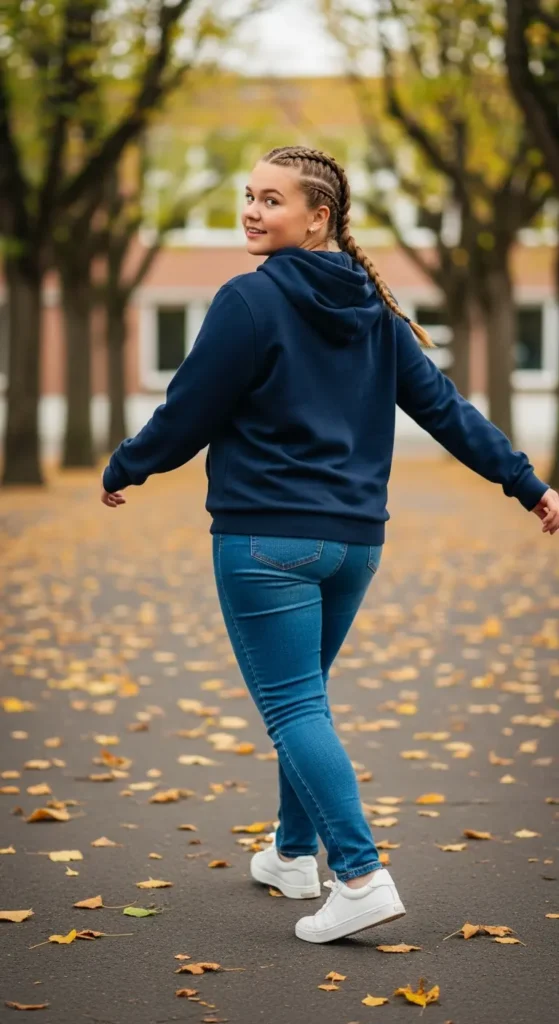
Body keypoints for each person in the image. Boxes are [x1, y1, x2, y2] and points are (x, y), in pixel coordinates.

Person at [101, 145, 559, 944]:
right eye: (247, 195)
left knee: (293, 707)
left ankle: (358, 874)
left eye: (271, 199)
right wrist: (529, 485)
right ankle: (289, 854)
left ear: (319, 216)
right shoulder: (374, 314)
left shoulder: (247, 301)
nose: (251, 210)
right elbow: (447, 411)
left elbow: (189, 410)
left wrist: (127, 465)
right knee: (303, 698)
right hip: (352, 546)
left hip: (266, 541)